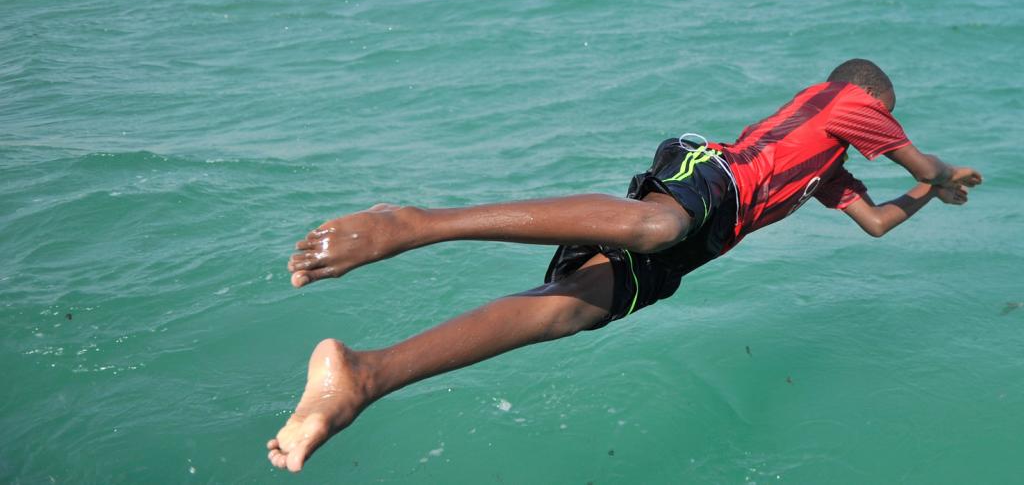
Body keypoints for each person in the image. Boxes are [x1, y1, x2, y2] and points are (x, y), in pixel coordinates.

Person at [266, 59, 983, 473]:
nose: (882, 127)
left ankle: (365, 376)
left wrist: (928, 195)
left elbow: (877, 221)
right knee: (654, 223)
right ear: (874, 102)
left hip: (704, 241)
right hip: (713, 175)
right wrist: (943, 176)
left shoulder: (829, 169)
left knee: (567, 309)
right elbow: (920, 161)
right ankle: (415, 224)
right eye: (886, 117)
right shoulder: (851, 99)